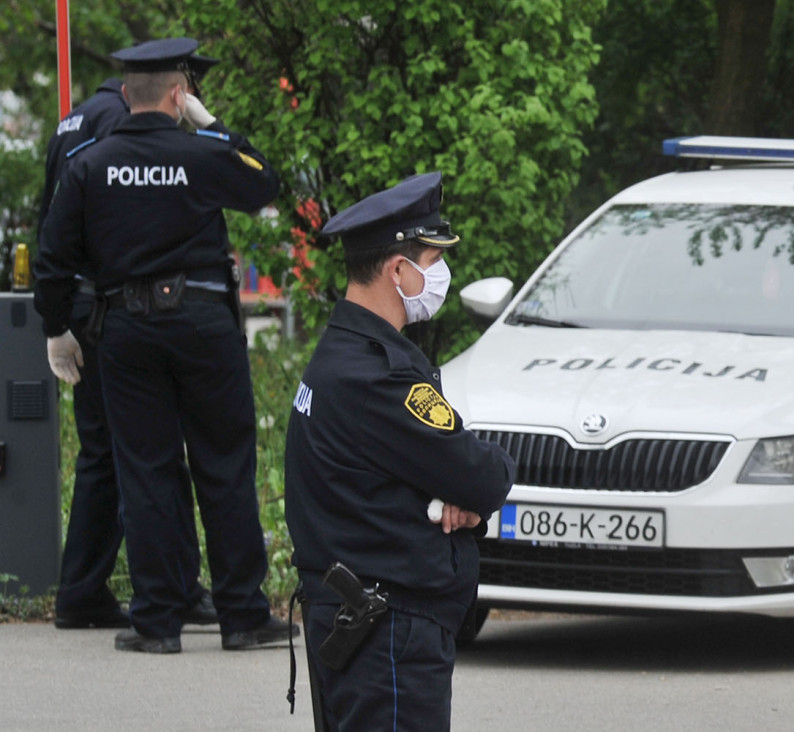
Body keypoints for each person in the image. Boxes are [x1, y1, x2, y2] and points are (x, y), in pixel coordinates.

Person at [34, 37, 296, 654]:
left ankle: (155, 623)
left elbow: (52, 257)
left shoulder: (92, 161)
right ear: (180, 97)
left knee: (145, 470)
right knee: (225, 466)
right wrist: (216, 127)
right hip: (204, 327)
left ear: (126, 96)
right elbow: (267, 185)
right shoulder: (202, 153)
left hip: (126, 331)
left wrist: (55, 328)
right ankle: (241, 616)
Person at [283, 172, 515, 730]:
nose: (439, 276)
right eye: (432, 262)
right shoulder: (378, 379)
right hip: (387, 635)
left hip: (357, 621)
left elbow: (424, 466)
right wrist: (468, 487)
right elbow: (482, 477)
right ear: (398, 270)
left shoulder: (339, 355)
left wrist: (449, 485)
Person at [38, 73, 217, 631]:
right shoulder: (126, 128)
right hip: (120, 310)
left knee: (103, 455)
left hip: (82, 309)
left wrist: (57, 318)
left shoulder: (72, 122)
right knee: (152, 457)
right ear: (173, 90)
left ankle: (83, 590)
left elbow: (51, 221)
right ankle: (174, 589)